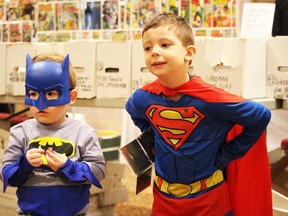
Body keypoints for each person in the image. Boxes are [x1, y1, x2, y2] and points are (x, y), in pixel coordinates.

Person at [125, 12, 272, 215]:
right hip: (164, 200)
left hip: (208, 201)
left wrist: (226, 156)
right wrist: (154, 136)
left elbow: (260, 116)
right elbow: (133, 110)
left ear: (189, 52)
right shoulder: (144, 97)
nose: (154, 52)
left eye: (165, 45)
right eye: (147, 47)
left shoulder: (210, 98)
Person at [0, 52, 105, 216]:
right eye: (33, 94)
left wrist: (68, 167)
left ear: (71, 97)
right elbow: (7, 175)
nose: (41, 104)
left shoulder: (84, 133)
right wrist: (25, 164)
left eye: (51, 94)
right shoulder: (20, 132)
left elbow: (98, 171)